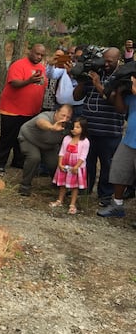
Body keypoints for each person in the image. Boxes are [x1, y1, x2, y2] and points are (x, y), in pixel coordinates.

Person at [73, 47, 123, 206]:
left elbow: (114, 101)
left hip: (109, 129)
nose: (106, 64)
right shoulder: (94, 72)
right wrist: (83, 79)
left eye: (110, 61)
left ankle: (105, 195)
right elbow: (77, 96)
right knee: (87, 162)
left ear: (118, 60)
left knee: (108, 164)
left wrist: (97, 84)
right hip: (89, 128)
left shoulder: (121, 77)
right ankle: (84, 189)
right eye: (105, 60)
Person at [0, 43, 48, 172]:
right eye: (37, 53)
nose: (39, 57)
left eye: (41, 55)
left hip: (30, 111)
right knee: (8, 138)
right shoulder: (18, 65)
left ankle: (18, 161)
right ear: (30, 51)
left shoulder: (42, 68)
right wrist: (29, 80)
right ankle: (0, 162)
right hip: (12, 109)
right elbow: (14, 83)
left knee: (23, 138)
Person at [97, 75, 136, 219]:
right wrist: (119, 91)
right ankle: (117, 205)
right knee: (119, 171)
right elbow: (121, 109)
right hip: (129, 141)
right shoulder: (132, 95)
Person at [16, 104, 73, 196]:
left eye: (68, 117)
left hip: (49, 145)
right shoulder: (46, 116)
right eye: (63, 115)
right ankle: (25, 185)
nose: (65, 118)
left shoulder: (68, 126)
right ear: (56, 112)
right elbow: (40, 122)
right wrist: (52, 127)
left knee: (56, 162)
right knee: (34, 157)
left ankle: (58, 183)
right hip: (30, 139)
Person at [50, 117, 90, 215]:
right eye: (73, 127)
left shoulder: (85, 141)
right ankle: (60, 200)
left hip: (76, 168)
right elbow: (62, 151)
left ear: (83, 129)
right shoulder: (67, 139)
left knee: (74, 186)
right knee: (63, 184)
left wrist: (76, 166)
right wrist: (60, 163)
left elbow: (83, 156)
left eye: (78, 127)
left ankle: (72, 204)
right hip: (65, 165)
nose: (74, 129)